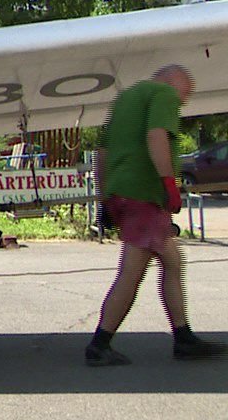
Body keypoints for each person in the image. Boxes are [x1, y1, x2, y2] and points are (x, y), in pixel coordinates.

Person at [85, 63, 225, 365]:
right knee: (132, 272)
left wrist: (104, 199)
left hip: (123, 194)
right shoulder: (163, 93)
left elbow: (103, 154)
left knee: (172, 260)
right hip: (143, 194)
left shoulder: (124, 100)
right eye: (184, 96)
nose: (182, 103)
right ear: (173, 82)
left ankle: (183, 335)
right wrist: (169, 185)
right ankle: (100, 343)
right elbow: (157, 136)